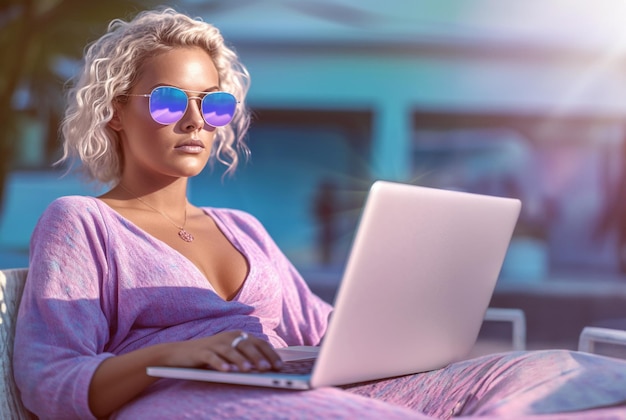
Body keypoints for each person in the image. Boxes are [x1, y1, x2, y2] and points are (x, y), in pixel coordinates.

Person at [13, 7, 626, 419]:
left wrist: (405, 319)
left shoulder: (242, 228)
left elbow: (322, 331)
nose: (198, 121)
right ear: (116, 111)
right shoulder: (80, 221)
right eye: (172, 101)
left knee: (564, 376)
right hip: (187, 398)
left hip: (289, 389)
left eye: (215, 104)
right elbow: (50, 383)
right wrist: (171, 356)